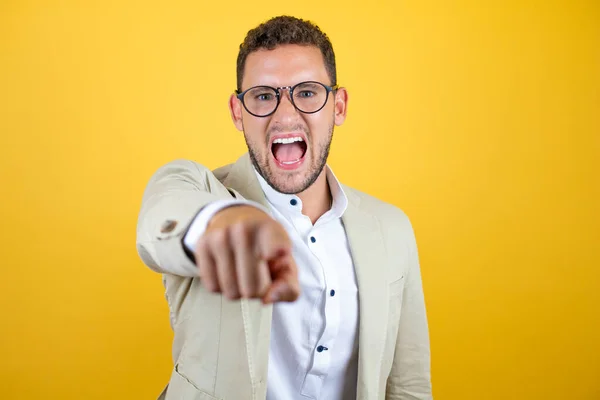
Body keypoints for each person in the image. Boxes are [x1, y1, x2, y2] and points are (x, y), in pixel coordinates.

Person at [136, 15, 432, 400]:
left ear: (338, 106)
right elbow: (163, 215)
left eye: (307, 92)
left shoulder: (391, 228)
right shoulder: (204, 191)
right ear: (237, 111)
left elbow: (407, 386)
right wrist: (218, 225)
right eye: (263, 95)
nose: (286, 115)